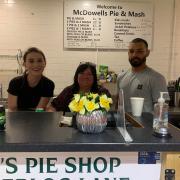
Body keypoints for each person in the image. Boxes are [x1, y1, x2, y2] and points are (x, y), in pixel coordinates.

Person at [117, 38, 168, 113]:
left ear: (147, 53)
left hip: (146, 124)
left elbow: (162, 111)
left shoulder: (157, 78)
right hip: (124, 124)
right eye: (131, 51)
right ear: (128, 53)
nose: (134, 55)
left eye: (139, 51)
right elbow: (118, 104)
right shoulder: (121, 77)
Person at [47, 62, 111, 112]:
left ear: (94, 77)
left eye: (89, 74)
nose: (85, 77)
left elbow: (107, 110)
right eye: (82, 73)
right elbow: (52, 107)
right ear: (76, 76)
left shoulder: (102, 92)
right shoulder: (68, 91)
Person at [7, 47, 55, 111]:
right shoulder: (15, 82)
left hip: (37, 118)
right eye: (31, 61)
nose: (36, 64)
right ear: (24, 64)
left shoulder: (48, 84)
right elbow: (12, 109)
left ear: (45, 63)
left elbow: (39, 109)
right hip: (17, 118)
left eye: (39, 60)